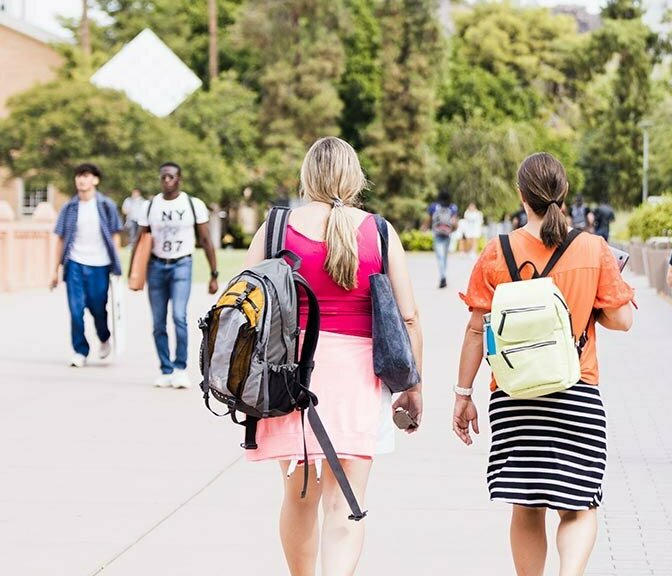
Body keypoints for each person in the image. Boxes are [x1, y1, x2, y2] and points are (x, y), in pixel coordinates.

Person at [242, 137, 423, 576]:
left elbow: (242, 303)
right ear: (355, 177)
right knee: (346, 500)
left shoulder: (276, 228)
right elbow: (409, 317)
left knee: (298, 494)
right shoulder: (378, 231)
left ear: (308, 176)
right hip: (359, 379)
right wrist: (413, 387)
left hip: (291, 374)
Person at [453, 152, 635, 576]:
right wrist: (591, 302)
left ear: (521, 195)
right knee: (580, 504)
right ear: (564, 192)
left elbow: (476, 330)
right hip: (577, 392)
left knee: (527, 504)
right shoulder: (594, 248)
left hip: (514, 398)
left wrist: (463, 395)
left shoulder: (497, 252)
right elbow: (623, 320)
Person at [134, 162, 219, 389]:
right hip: (156, 267)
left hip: (182, 264)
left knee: (179, 316)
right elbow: (140, 240)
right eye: (163, 177)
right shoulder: (150, 206)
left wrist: (214, 274)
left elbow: (206, 240)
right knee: (158, 322)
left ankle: (180, 368)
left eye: (171, 177)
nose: (166, 181)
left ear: (179, 179)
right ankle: (165, 369)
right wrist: (135, 273)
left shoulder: (193, 205)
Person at [51, 163, 123, 367]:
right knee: (75, 310)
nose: (81, 180)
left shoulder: (106, 205)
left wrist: (115, 266)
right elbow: (60, 238)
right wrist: (54, 270)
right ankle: (80, 350)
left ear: (95, 180)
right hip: (74, 263)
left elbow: (115, 234)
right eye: (78, 176)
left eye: (85, 176)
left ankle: (104, 336)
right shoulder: (69, 207)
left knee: (98, 308)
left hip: (100, 264)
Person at [428, 188, 458, 288]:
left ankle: (442, 276)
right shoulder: (452, 207)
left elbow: (430, 219)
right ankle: (443, 275)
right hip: (448, 234)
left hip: (437, 234)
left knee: (440, 257)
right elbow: (454, 221)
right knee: (444, 257)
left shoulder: (434, 207)